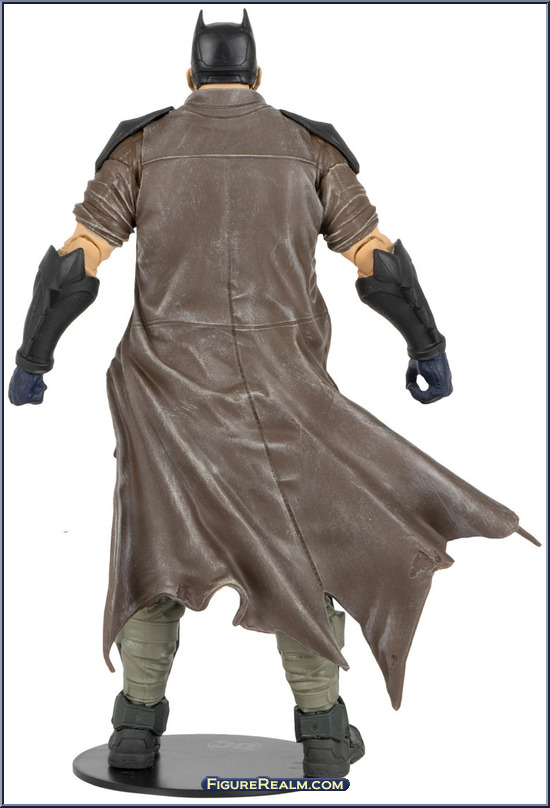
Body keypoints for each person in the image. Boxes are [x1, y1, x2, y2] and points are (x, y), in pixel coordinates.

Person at [8, 9, 536, 778]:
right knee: (299, 552)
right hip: (282, 393)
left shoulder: (142, 148)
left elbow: (76, 262)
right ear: (257, 77)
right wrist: (426, 345)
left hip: (163, 394)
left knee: (155, 552)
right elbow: (375, 257)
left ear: (190, 78)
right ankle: (322, 733)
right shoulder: (306, 148)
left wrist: (34, 358)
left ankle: (134, 732)